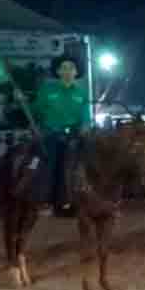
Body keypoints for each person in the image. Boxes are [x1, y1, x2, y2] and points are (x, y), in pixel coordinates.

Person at [33, 54, 90, 217]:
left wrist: (85, 126)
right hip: (52, 134)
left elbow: (85, 116)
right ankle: (47, 201)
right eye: (63, 68)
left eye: (71, 68)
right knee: (51, 163)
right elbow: (36, 110)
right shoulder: (47, 90)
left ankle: (87, 198)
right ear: (57, 71)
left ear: (76, 71)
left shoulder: (81, 93)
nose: (67, 71)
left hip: (75, 135)